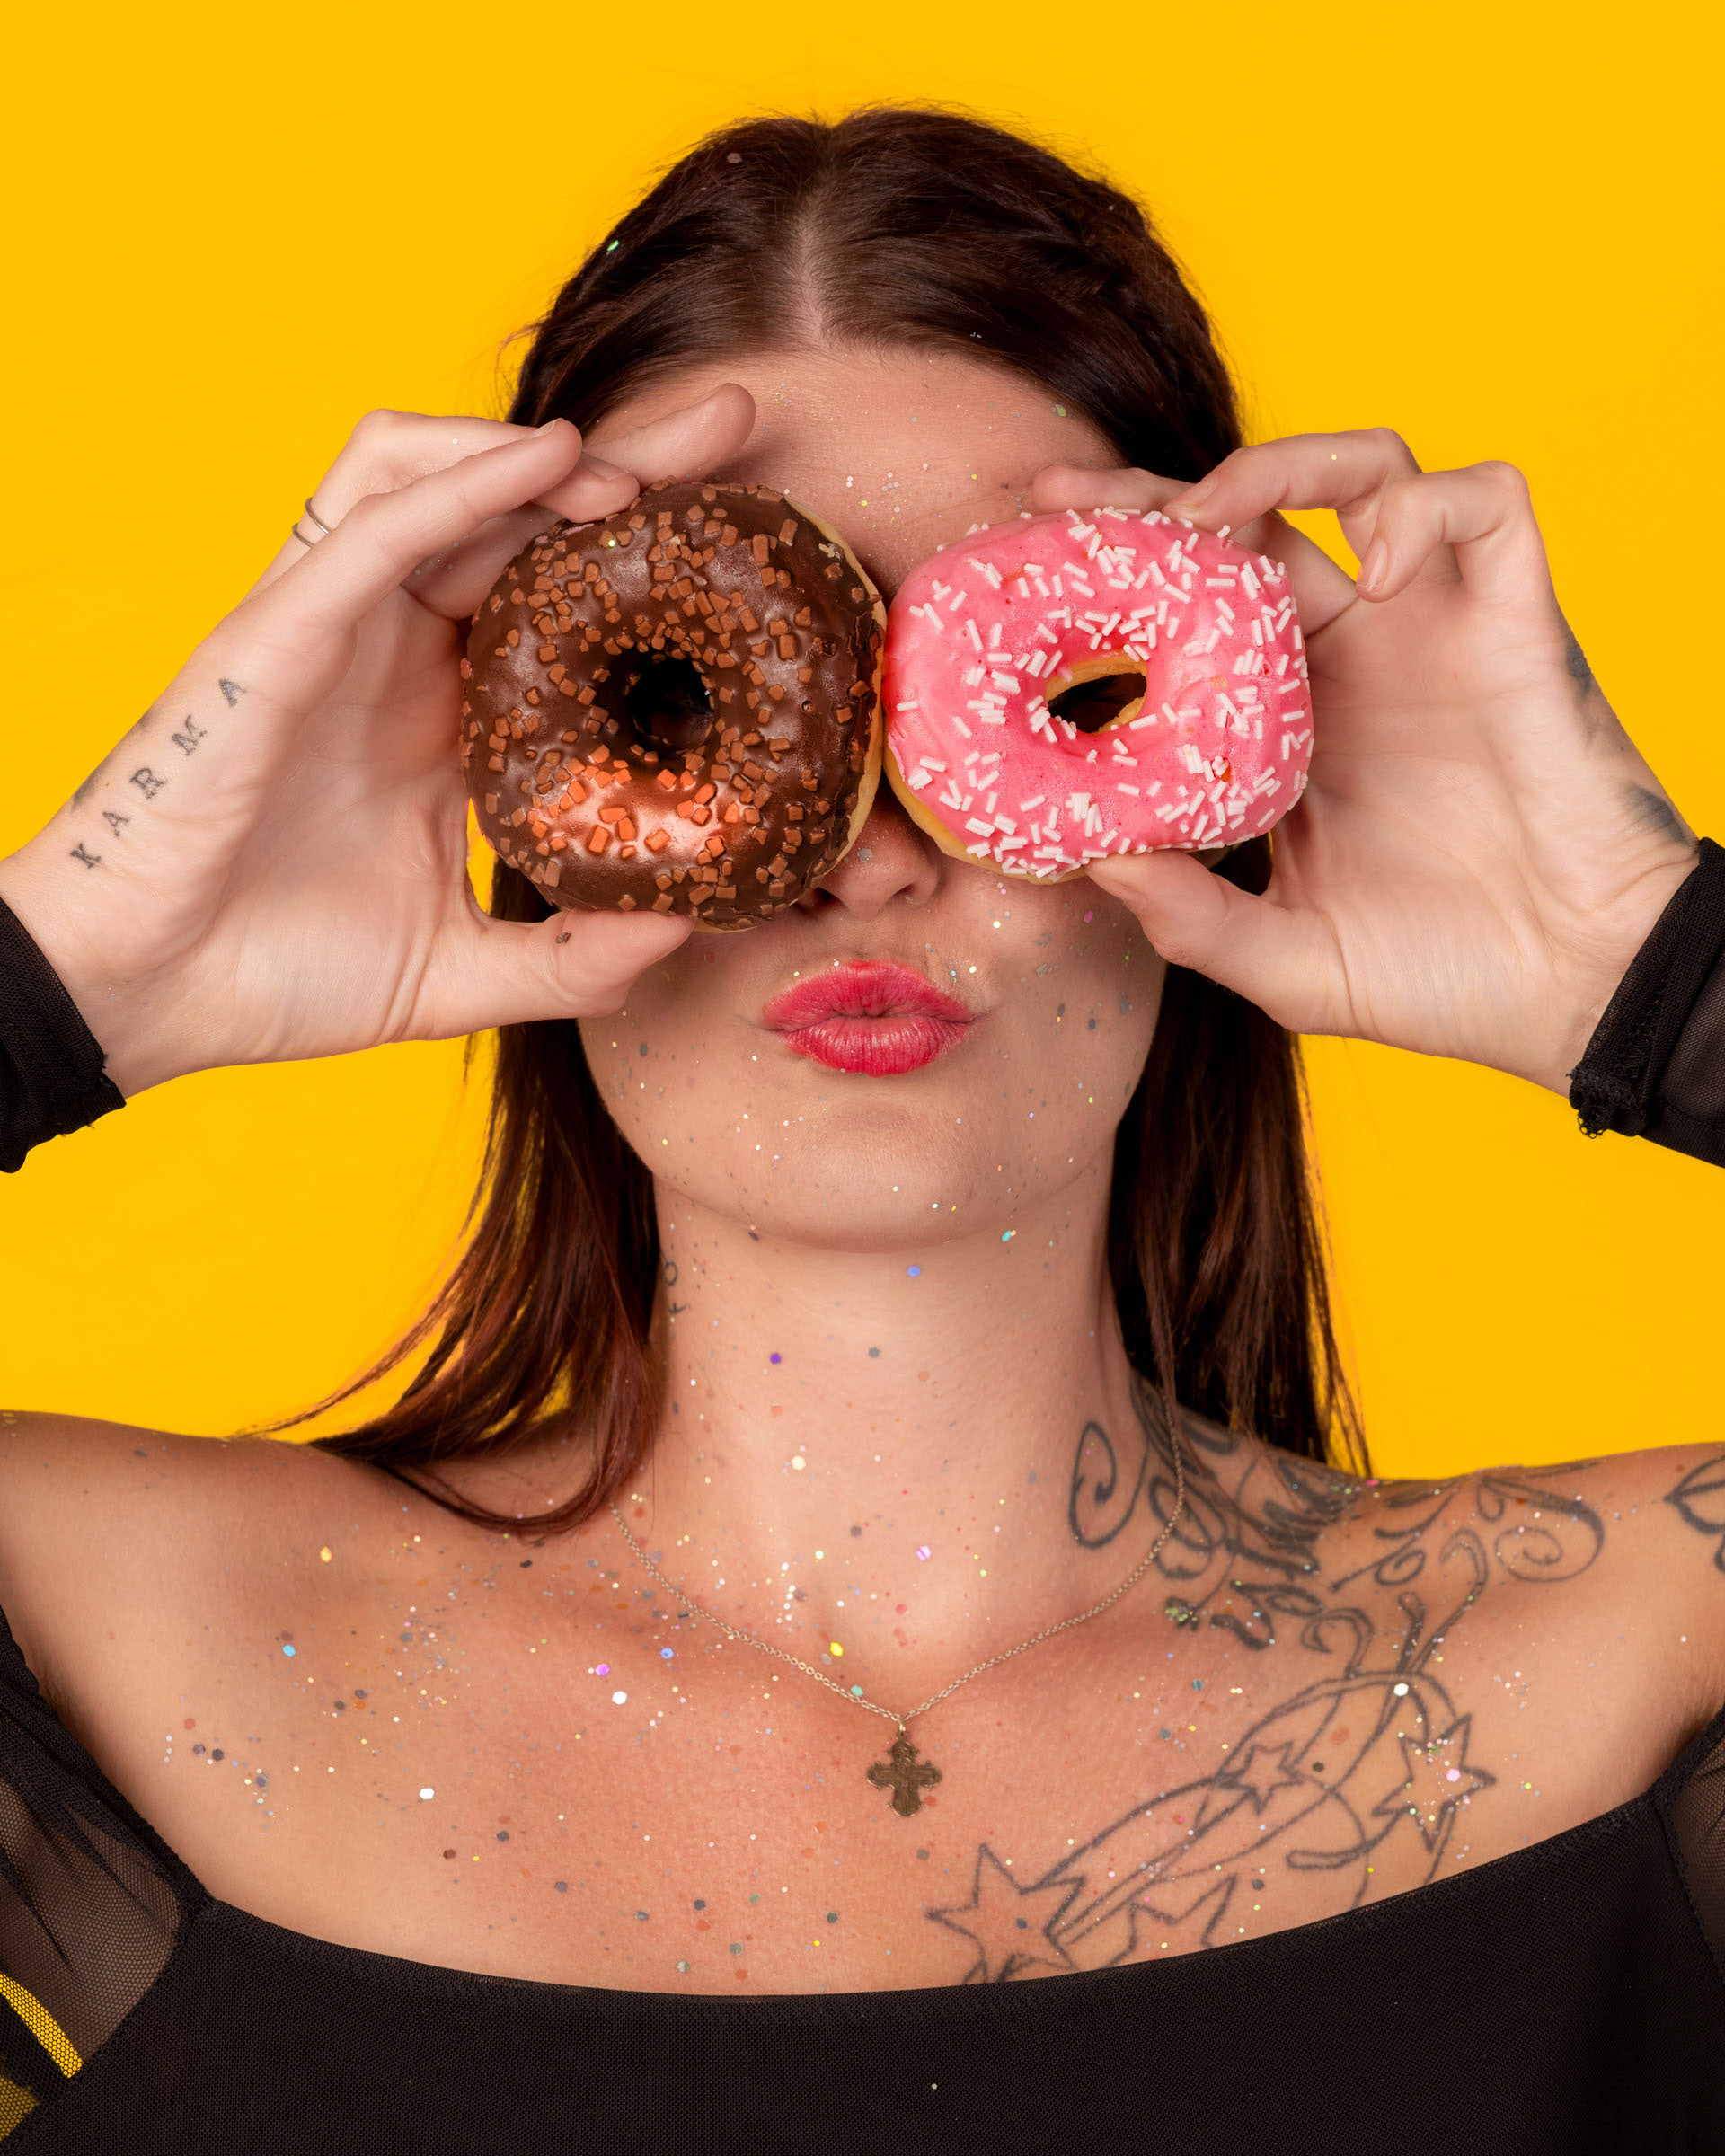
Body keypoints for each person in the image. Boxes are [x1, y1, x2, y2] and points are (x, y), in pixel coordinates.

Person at [0, 109, 1721, 2154]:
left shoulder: (1644, 1653)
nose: (870, 861)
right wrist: (83, 962)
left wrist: (1655, 970)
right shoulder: (99, 1629)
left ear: (1241, 765)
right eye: (686, 706)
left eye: (1058, 701)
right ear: (509, 788)